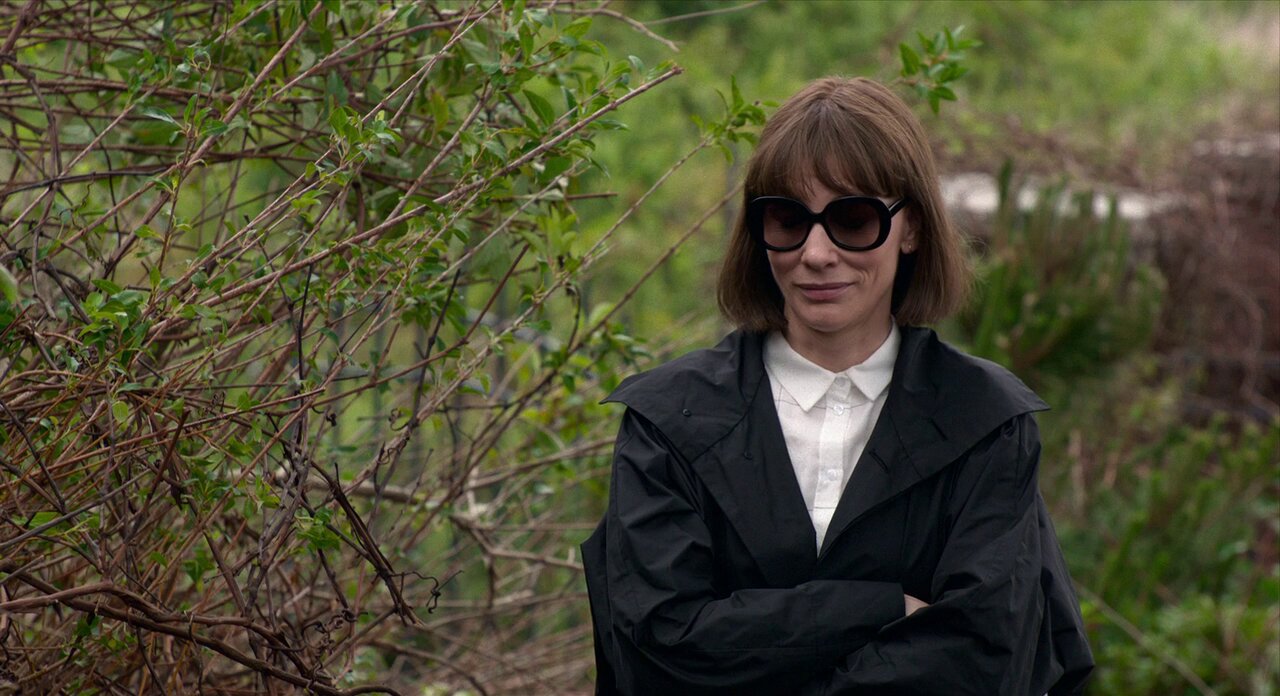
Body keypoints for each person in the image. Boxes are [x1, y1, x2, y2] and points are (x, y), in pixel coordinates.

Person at [581, 76, 1094, 695]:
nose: (817, 253)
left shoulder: (985, 423)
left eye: (854, 219)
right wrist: (879, 608)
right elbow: (657, 648)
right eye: (788, 219)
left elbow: (986, 660)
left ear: (911, 228)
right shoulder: (668, 422)